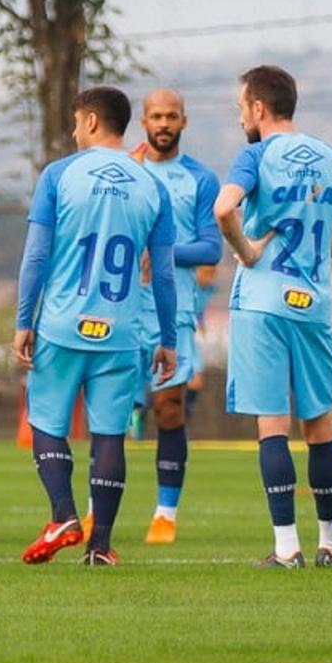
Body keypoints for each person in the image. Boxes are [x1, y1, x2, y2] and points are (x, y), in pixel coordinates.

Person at [15, 87, 178, 567]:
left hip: (63, 325)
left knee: (47, 421)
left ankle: (64, 514)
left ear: (88, 121)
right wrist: (167, 338)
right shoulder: (153, 186)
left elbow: (36, 256)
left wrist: (24, 320)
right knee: (109, 435)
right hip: (123, 329)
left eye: (74, 123)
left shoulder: (60, 175)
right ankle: (100, 546)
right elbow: (164, 274)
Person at [214, 65, 332, 570]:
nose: (240, 117)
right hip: (313, 302)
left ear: (259, 107)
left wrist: (248, 250)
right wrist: (313, 245)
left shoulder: (255, 155)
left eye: (241, 107)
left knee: (273, 425)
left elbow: (222, 209)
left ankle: (286, 549)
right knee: (320, 424)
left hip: (263, 301)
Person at [128, 89, 221, 545]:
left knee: (168, 411)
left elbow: (210, 247)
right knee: (112, 409)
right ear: (142, 122)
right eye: (155, 116)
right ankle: (92, 511)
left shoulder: (200, 179)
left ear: (184, 121)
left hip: (174, 313)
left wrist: (161, 252)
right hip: (122, 313)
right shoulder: (124, 170)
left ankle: (165, 513)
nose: (163, 123)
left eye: (171, 116)